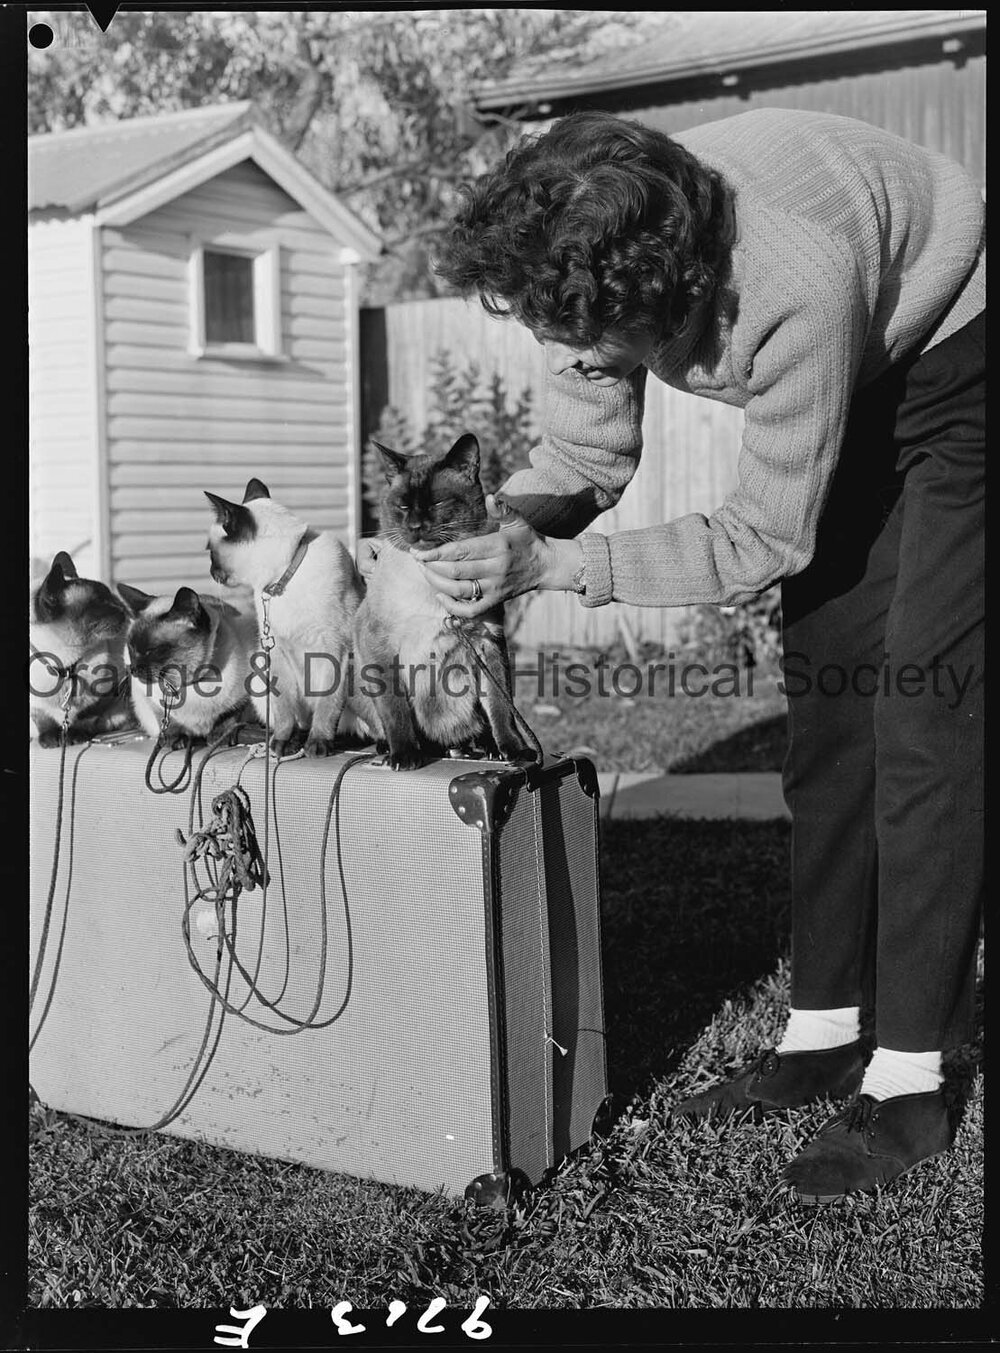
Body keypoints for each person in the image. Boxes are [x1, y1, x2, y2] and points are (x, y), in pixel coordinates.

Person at [414, 107, 985, 1203]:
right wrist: (514, 525)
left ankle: (913, 1076)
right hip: (854, 376)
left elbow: (765, 538)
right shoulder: (579, 248)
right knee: (830, 715)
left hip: (962, 352)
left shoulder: (788, 283)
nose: (568, 347)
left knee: (921, 712)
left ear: (660, 295)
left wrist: (557, 572)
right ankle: (821, 1035)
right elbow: (585, 447)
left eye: (584, 333)